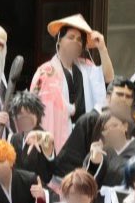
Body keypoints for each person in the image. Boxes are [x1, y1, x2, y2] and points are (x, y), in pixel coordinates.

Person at [30, 14, 114, 151]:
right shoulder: (46, 71)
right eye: (71, 37)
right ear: (59, 40)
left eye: (80, 40)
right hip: (57, 134)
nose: (76, 42)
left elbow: (108, 77)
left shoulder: (86, 66)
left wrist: (102, 48)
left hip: (85, 136)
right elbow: (36, 110)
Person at [55, 77, 135, 177]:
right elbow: (70, 159)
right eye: (120, 94)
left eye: (128, 96)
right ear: (108, 97)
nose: (124, 99)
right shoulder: (89, 120)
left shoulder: (132, 124)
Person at [6, 91, 56, 184]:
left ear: (37, 115)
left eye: (29, 114)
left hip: (39, 190)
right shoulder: (14, 139)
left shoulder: (44, 137)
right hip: (19, 190)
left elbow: (49, 138)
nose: (25, 118)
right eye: (21, 115)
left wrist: (39, 136)